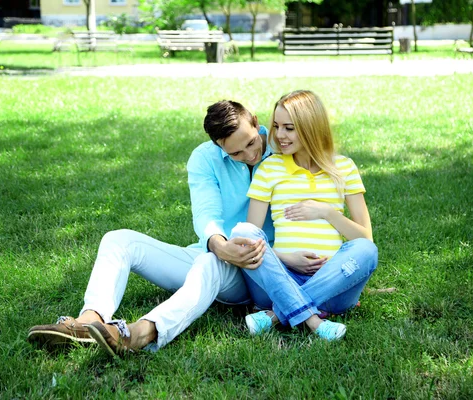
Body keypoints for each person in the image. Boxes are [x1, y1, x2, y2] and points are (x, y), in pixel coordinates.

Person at [27, 100, 296, 355]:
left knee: (209, 264)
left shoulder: (284, 146)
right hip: (218, 252)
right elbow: (206, 212)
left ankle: (141, 334)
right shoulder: (205, 158)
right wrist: (219, 245)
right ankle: (89, 321)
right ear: (217, 145)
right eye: (236, 152)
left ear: (256, 122)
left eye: (251, 143)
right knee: (119, 239)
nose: (250, 155)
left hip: (261, 268)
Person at [229, 90, 378, 341]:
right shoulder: (270, 168)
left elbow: (365, 238)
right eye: (276, 126)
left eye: (289, 128)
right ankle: (313, 319)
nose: (279, 135)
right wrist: (288, 259)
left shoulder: (344, 167)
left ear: (311, 127)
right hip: (279, 278)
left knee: (366, 251)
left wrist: (327, 212)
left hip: (333, 283)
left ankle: (276, 315)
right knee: (242, 232)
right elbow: (250, 239)